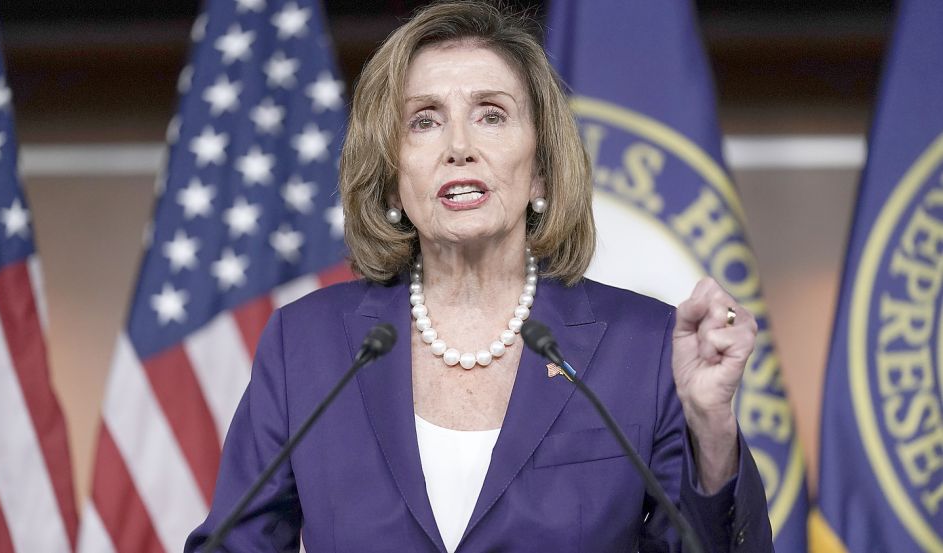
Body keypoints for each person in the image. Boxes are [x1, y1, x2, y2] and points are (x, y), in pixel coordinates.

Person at [187, 1, 773, 551]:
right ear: (392, 178)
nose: (458, 146)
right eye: (424, 121)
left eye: (491, 115)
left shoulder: (642, 346)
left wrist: (712, 432)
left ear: (541, 171)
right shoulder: (306, 345)